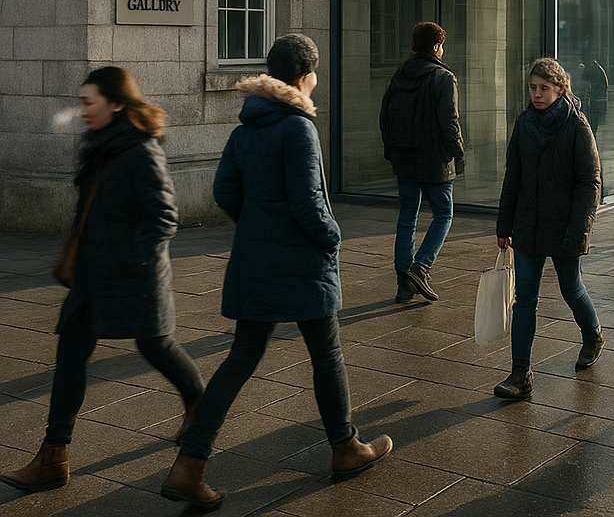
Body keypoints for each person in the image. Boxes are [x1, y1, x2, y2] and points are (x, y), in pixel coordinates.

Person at [161, 34, 391, 511]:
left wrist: (260, 225)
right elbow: (309, 204)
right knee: (326, 353)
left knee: (241, 357)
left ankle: (189, 465)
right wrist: (332, 236)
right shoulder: (298, 128)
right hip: (303, 262)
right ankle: (345, 448)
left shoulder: (246, 128)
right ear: (306, 78)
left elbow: (225, 190)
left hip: (257, 260)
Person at [1, 68, 205, 495]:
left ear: (116, 103)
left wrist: (129, 259)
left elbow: (165, 218)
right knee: (70, 357)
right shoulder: (99, 147)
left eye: (89, 101)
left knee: (157, 346)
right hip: (94, 278)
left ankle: (199, 406)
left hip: (134, 277)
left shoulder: (140, 151)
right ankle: (53, 457)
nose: (83, 110)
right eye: (81, 102)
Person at [493, 59, 602, 400]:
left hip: (565, 225)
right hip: (528, 225)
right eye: (532, 88)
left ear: (560, 89)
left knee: (571, 289)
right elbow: (514, 175)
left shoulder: (576, 125)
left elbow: (590, 182)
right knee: (524, 299)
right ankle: (520, 374)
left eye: (543, 88)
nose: (536, 94)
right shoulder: (524, 123)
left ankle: (593, 334)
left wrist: (579, 230)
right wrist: (504, 222)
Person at [379, 22, 464, 305]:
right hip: (433, 161)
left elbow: (384, 116)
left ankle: (404, 284)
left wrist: (391, 150)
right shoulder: (443, 77)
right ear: (436, 47)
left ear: (415, 46)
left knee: (407, 217)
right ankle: (422, 266)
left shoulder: (400, 75)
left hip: (404, 159)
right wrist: (459, 153)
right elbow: (449, 123)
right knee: (443, 214)